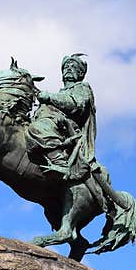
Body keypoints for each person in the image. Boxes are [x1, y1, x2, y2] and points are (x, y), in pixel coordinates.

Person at [26, 53, 96, 182]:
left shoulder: (82, 88)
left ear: (80, 74)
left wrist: (49, 97)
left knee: (38, 128)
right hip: (54, 124)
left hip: (67, 129)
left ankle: (60, 164)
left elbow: (76, 104)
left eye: (73, 67)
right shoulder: (60, 93)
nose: (68, 69)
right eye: (66, 67)